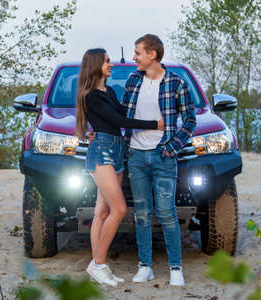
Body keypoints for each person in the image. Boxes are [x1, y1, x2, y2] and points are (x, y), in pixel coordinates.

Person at [75, 48, 164, 287]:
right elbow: (120, 122)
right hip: (102, 152)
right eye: (106, 61)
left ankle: (98, 265)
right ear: (96, 65)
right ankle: (99, 265)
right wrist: (155, 124)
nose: (111, 63)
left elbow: (124, 112)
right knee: (120, 209)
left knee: (102, 213)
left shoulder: (110, 91)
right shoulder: (92, 96)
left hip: (117, 151)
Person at [122, 34, 196, 286]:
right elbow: (123, 115)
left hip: (163, 155)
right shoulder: (133, 80)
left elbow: (189, 121)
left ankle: (176, 267)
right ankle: (146, 266)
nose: (134, 57)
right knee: (142, 213)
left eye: (138, 52)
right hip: (135, 155)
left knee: (166, 212)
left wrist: (171, 148)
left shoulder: (176, 83)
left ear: (153, 54)